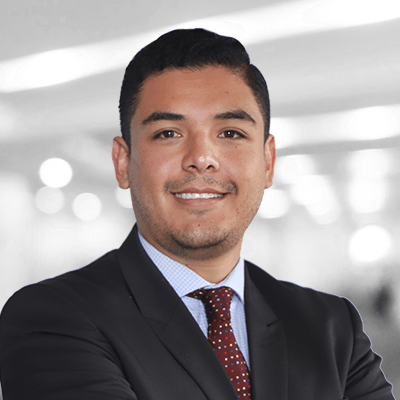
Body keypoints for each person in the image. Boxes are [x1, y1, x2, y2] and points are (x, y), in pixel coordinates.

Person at [0, 28, 394, 400]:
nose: (202, 158)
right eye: (168, 133)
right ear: (123, 163)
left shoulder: (331, 326)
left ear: (268, 161)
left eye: (231, 133)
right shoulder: (50, 318)